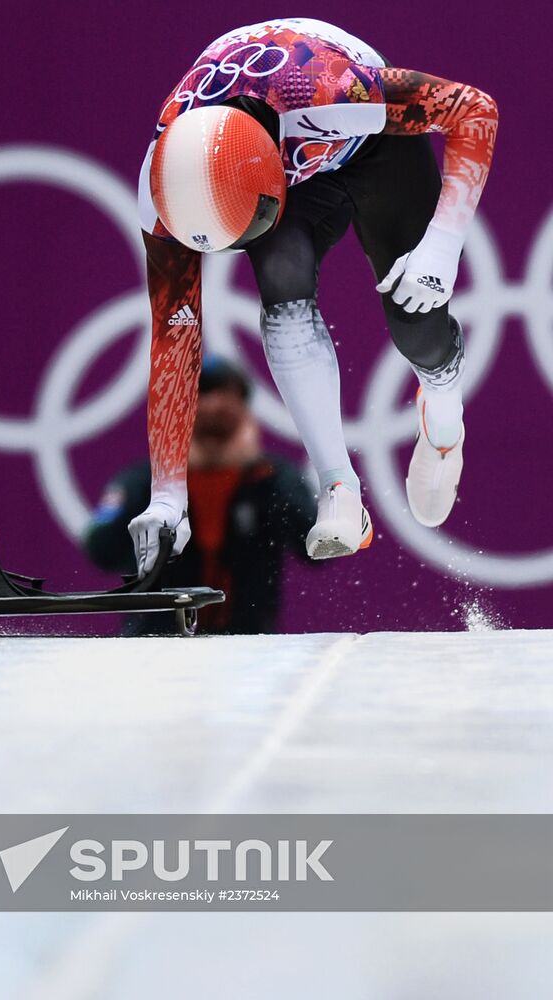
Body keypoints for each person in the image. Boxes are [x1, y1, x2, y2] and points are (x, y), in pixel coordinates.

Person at [128, 17, 498, 576]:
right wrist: (166, 498)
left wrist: (442, 248)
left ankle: (444, 419)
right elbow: (174, 339)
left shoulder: (334, 91)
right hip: (261, 161)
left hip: (372, 144)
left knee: (416, 319)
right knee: (280, 281)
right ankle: (338, 489)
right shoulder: (164, 190)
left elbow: (476, 110)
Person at [84, 356, 320, 634]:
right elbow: (101, 549)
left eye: (224, 397)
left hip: (249, 649)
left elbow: (318, 551)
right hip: (156, 646)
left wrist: (260, 478)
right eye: (202, 395)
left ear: (244, 414)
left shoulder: (271, 477)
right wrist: (172, 469)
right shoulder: (148, 479)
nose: (212, 407)